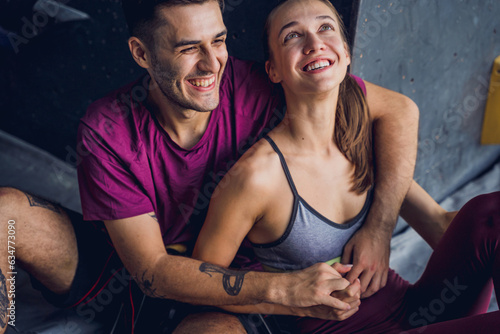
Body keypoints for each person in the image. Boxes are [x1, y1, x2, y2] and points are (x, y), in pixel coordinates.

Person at [0, 0, 420, 332]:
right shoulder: (107, 127)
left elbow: (398, 110)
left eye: (217, 41)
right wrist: (286, 287)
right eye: (187, 48)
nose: (210, 63)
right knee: (5, 215)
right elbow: (153, 272)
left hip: (223, 286)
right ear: (141, 53)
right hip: (124, 263)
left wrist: (379, 227)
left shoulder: (260, 81)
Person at [193, 0, 500, 332]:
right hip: (340, 328)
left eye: (325, 28)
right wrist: (288, 294)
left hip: (414, 309)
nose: (314, 44)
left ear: (346, 52)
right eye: (292, 36)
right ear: (273, 70)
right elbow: (199, 283)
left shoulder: (362, 135)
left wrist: (379, 230)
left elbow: (404, 112)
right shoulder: (257, 176)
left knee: (490, 212)